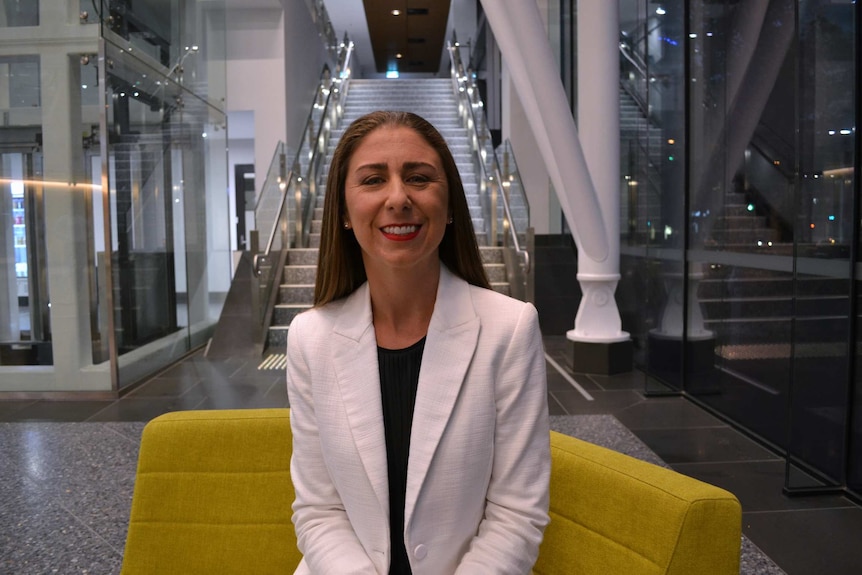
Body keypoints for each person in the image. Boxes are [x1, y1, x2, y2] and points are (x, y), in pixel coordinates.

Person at [286, 110, 550, 574]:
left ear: (449, 207)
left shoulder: (510, 329)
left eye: (419, 178)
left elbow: (516, 515)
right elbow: (318, 510)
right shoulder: (311, 338)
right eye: (372, 180)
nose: (398, 197)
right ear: (344, 213)